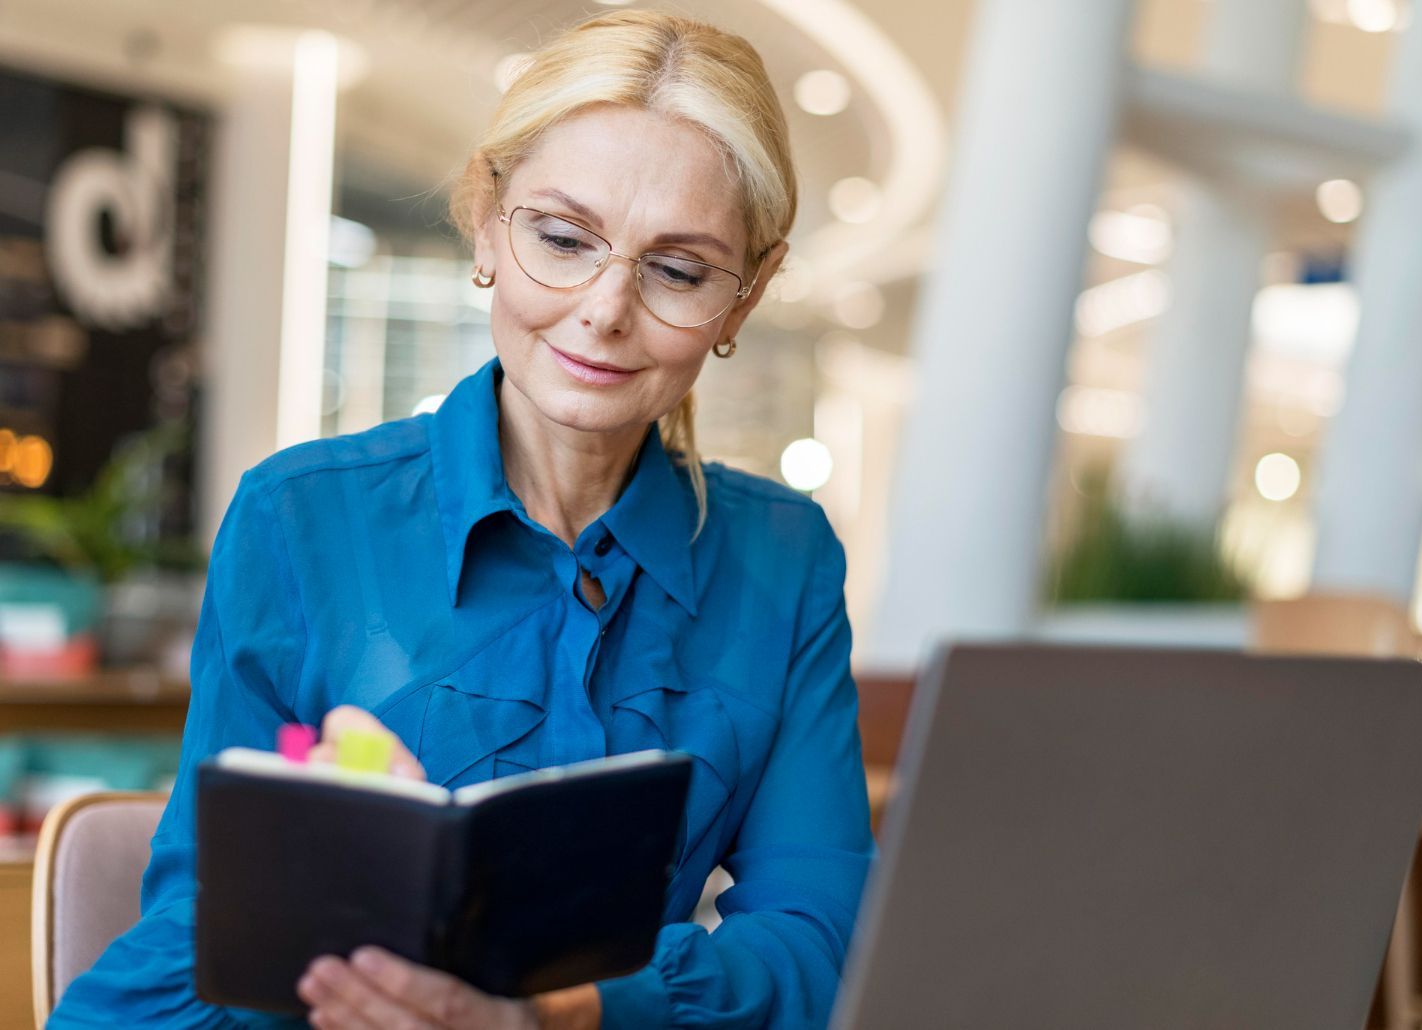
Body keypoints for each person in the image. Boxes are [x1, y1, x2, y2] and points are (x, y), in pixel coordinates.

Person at [51, 9, 873, 1030]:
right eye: (564, 239)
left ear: (746, 297)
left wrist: (569, 1000)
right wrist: (332, 886)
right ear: (487, 219)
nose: (605, 310)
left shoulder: (783, 560)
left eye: (678, 271)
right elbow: (201, 944)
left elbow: (822, 943)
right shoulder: (300, 518)